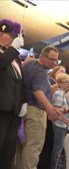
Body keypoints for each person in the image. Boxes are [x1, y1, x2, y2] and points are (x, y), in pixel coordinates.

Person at [22, 46, 60, 169]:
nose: (54, 63)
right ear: (43, 57)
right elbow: (38, 91)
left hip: (25, 109)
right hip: (36, 112)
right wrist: (50, 109)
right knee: (33, 147)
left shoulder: (29, 64)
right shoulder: (40, 71)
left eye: (56, 61)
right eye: (52, 60)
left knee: (22, 146)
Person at [0, 19, 25, 169]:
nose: (17, 39)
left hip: (14, 110)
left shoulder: (15, 57)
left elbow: (20, 82)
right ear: (2, 34)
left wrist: (24, 101)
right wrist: (14, 48)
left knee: (8, 150)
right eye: (13, 36)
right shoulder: (10, 54)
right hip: (1, 108)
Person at [50, 73, 69, 169]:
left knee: (60, 148)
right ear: (60, 83)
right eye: (67, 82)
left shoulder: (64, 94)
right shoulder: (58, 94)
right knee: (57, 149)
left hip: (63, 124)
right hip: (59, 124)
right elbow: (57, 111)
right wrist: (67, 109)